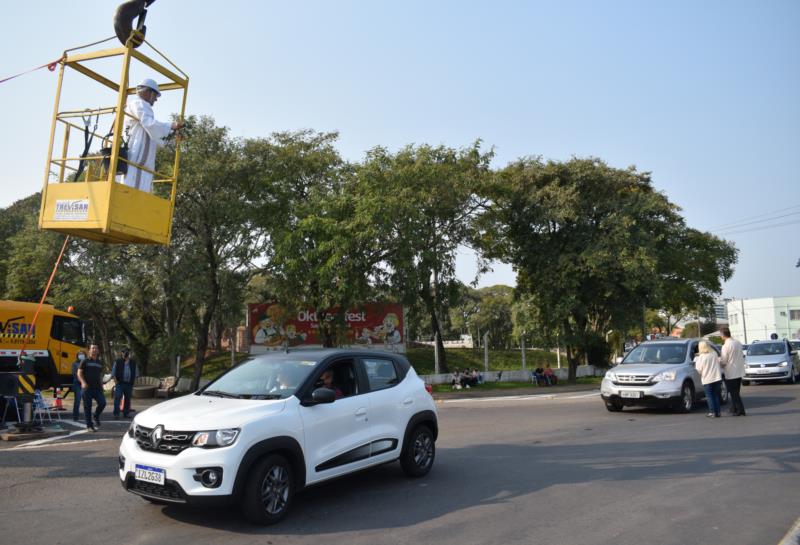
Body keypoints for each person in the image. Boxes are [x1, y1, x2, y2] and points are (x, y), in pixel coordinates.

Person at [121, 78, 183, 193]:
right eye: (155, 95)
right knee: (133, 193)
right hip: (136, 160)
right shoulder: (139, 104)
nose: (155, 100)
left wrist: (172, 136)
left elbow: (153, 132)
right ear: (148, 92)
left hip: (140, 162)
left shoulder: (140, 105)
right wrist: (171, 126)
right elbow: (149, 124)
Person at [77, 344, 106, 431]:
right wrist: (83, 382)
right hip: (87, 388)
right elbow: (79, 373)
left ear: (98, 351)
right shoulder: (84, 361)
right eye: (92, 348)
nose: (94, 350)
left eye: (96, 348)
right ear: (89, 350)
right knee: (88, 407)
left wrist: (102, 385)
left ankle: (96, 415)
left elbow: (100, 375)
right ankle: (89, 426)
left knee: (102, 403)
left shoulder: (99, 363)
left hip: (97, 388)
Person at [720, 326, 747, 416]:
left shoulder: (725, 346)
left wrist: (718, 361)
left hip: (731, 372)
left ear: (723, 335)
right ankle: (734, 408)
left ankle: (740, 410)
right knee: (736, 391)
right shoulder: (738, 342)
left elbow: (724, 361)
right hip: (739, 370)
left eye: (721, 335)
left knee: (733, 393)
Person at [694, 340, 723, 418]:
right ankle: (718, 412)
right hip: (717, 378)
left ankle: (712, 412)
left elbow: (699, 369)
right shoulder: (714, 354)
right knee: (716, 395)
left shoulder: (701, 357)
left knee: (710, 396)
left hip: (707, 379)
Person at [111, 347, 137, 420]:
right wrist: (116, 382)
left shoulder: (133, 362)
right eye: (124, 352)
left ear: (129, 353)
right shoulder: (118, 361)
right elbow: (113, 373)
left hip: (129, 384)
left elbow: (136, 373)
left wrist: (133, 382)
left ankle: (126, 413)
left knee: (128, 399)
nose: (126, 353)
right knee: (117, 398)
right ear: (121, 353)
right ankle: (116, 414)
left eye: (127, 352)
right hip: (120, 383)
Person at [70, 350, 87, 422]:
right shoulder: (74, 363)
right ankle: (75, 416)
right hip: (77, 384)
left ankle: (87, 416)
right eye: (80, 354)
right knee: (77, 400)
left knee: (86, 401)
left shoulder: (87, 363)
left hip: (85, 383)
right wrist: (81, 380)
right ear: (77, 355)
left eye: (82, 354)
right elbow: (74, 374)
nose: (81, 355)